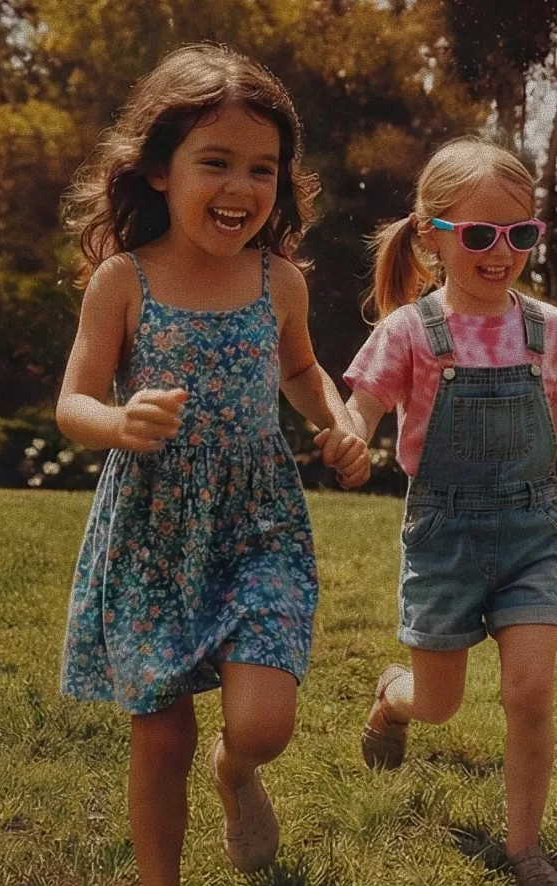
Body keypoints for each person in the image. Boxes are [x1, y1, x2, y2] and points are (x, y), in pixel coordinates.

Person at [56, 43, 369, 886]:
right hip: (155, 530)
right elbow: (73, 402)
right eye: (216, 163)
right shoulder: (123, 282)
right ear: (160, 169)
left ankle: (239, 776)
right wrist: (119, 422)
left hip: (257, 520)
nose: (241, 189)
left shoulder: (280, 283)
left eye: (262, 169)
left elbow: (302, 372)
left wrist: (337, 422)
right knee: (161, 737)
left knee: (263, 723)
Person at [339, 136, 557, 886]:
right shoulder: (410, 329)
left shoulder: (547, 328)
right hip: (445, 536)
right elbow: (361, 404)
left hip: (535, 532)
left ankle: (524, 844)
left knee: (532, 690)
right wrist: (348, 435)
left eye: (520, 233)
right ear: (434, 236)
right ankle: (391, 704)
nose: (501, 252)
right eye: (478, 235)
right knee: (439, 704)